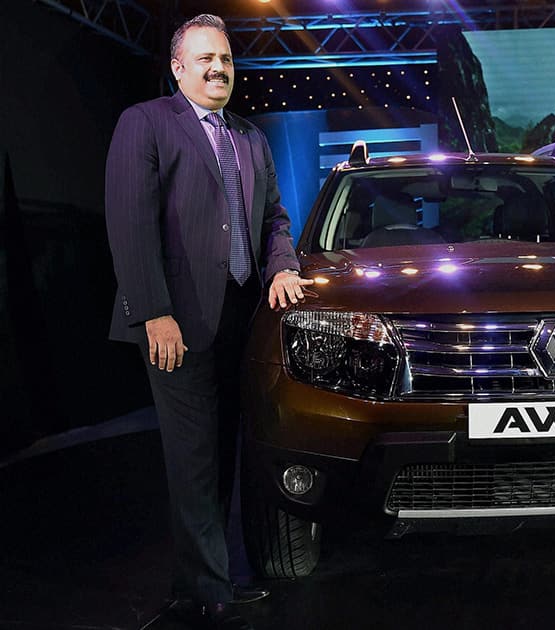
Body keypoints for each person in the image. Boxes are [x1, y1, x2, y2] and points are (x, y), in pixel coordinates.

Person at [105, 14, 312, 630]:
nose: (219, 69)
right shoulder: (145, 124)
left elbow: (274, 216)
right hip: (176, 323)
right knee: (193, 457)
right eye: (205, 60)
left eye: (224, 58)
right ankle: (206, 592)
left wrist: (280, 267)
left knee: (223, 454)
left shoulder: (250, 136)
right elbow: (129, 223)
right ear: (178, 68)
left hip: (240, 321)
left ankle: (210, 580)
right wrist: (153, 313)